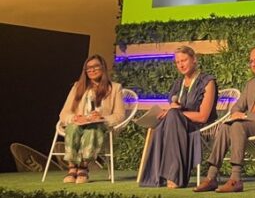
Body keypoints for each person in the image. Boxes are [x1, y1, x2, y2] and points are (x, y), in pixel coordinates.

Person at [193, 45, 255, 193]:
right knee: (227, 125)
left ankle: (236, 179)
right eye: (251, 61)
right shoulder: (251, 84)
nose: (253, 64)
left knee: (238, 125)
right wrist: (237, 114)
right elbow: (236, 108)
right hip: (251, 126)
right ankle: (211, 177)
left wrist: (244, 116)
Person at [140, 45, 218, 188]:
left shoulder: (207, 81)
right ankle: (167, 175)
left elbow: (203, 116)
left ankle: (173, 176)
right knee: (169, 118)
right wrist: (169, 111)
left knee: (173, 116)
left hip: (200, 126)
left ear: (194, 60)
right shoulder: (178, 84)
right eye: (178, 62)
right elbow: (174, 108)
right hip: (177, 125)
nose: (181, 65)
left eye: (184, 60)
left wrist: (174, 112)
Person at [59, 54, 125, 184]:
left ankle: (83, 167)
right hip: (79, 124)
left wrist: (102, 118)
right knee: (72, 128)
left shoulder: (115, 88)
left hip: (100, 126)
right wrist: (74, 117)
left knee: (92, 129)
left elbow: (120, 115)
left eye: (95, 67)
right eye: (88, 68)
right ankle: (72, 167)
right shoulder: (78, 87)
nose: (92, 70)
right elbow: (64, 113)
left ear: (103, 68)